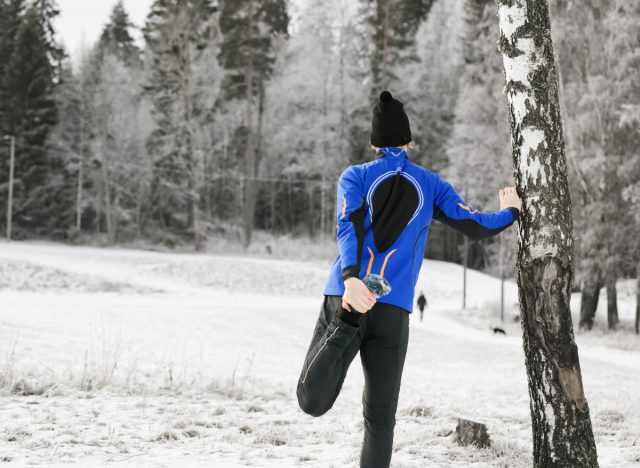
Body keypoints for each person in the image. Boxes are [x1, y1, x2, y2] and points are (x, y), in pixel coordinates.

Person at [296, 90, 521, 468]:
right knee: (380, 421)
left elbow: (347, 226)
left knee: (311, 401)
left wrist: (352, 280)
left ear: (373, 144)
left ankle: (345, 324)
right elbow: (475, 225)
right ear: (408, 142)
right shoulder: (431, 184)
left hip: (346, 298)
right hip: (393, 312)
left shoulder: (354, 177)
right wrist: (510, 212)